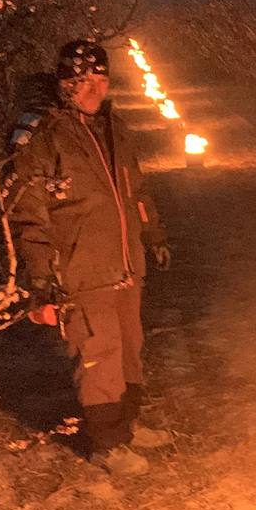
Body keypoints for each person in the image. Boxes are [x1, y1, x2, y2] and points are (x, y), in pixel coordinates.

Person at [12, 40, 172, 476]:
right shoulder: (42, 136)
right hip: (80, 268)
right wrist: (42, 281)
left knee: (129, 348)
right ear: (66, 83)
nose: (95, 90)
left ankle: (128, 426)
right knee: (98, 353)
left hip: (124, 262)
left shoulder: (114, 127)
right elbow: (28, 215)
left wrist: (151, 231)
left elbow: (135, 191)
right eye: (85, 81)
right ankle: (107, 445)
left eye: (101, 80)